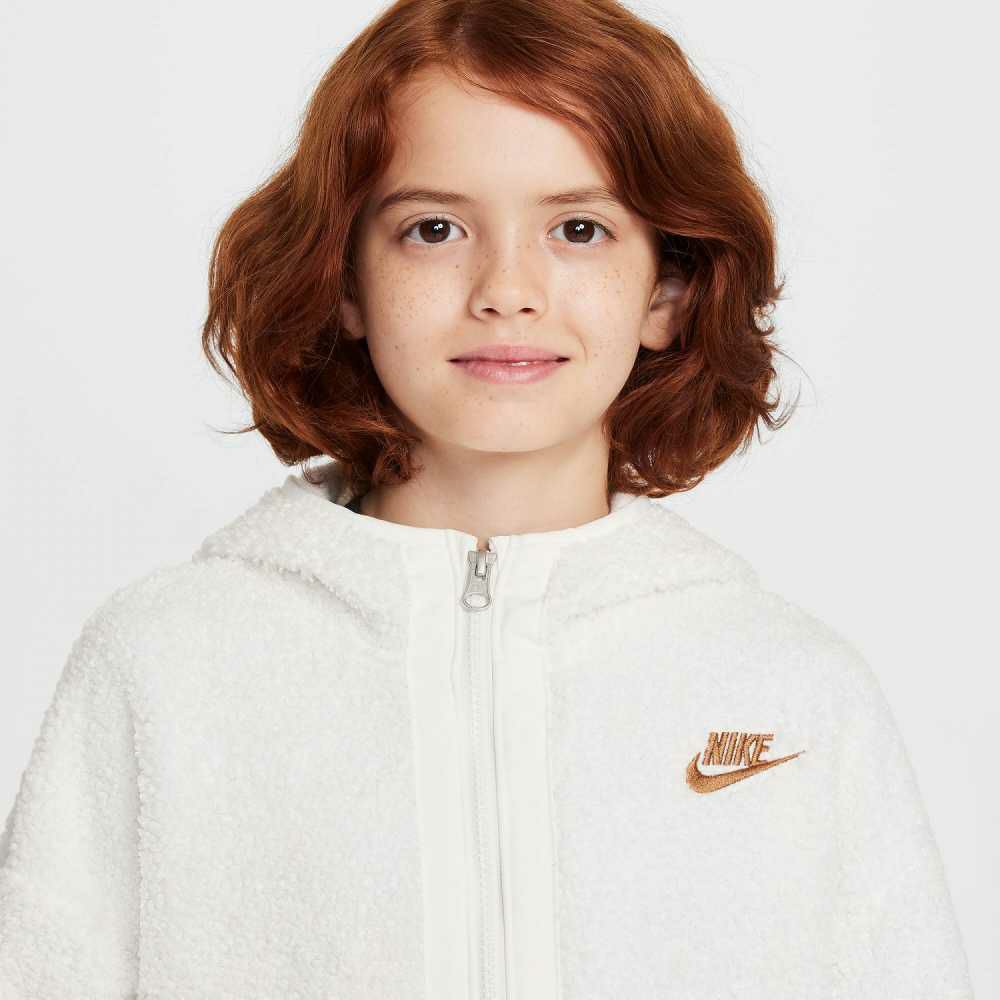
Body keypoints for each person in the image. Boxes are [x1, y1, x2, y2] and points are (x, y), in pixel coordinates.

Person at [0, 0, 976, 997]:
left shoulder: (792, 692)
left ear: (668, 290)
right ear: (346, 280)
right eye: (433, 229)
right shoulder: (165, 665)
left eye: (579, 229)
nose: (507, 289)